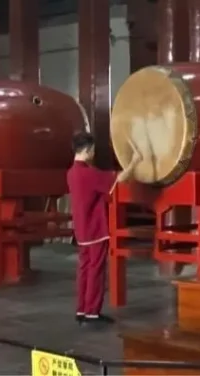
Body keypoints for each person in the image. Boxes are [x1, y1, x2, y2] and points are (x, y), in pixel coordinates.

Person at [67, 132, 141, 324]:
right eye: (92, 150)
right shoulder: (88, 173)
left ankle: (81, 309)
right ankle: (92, 311)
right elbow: (120, 179)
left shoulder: (72, 172)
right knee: (95, 270)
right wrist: (134, 161)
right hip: (95, 229)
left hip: (82, 229)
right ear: (87, 150)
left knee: (84, 269)